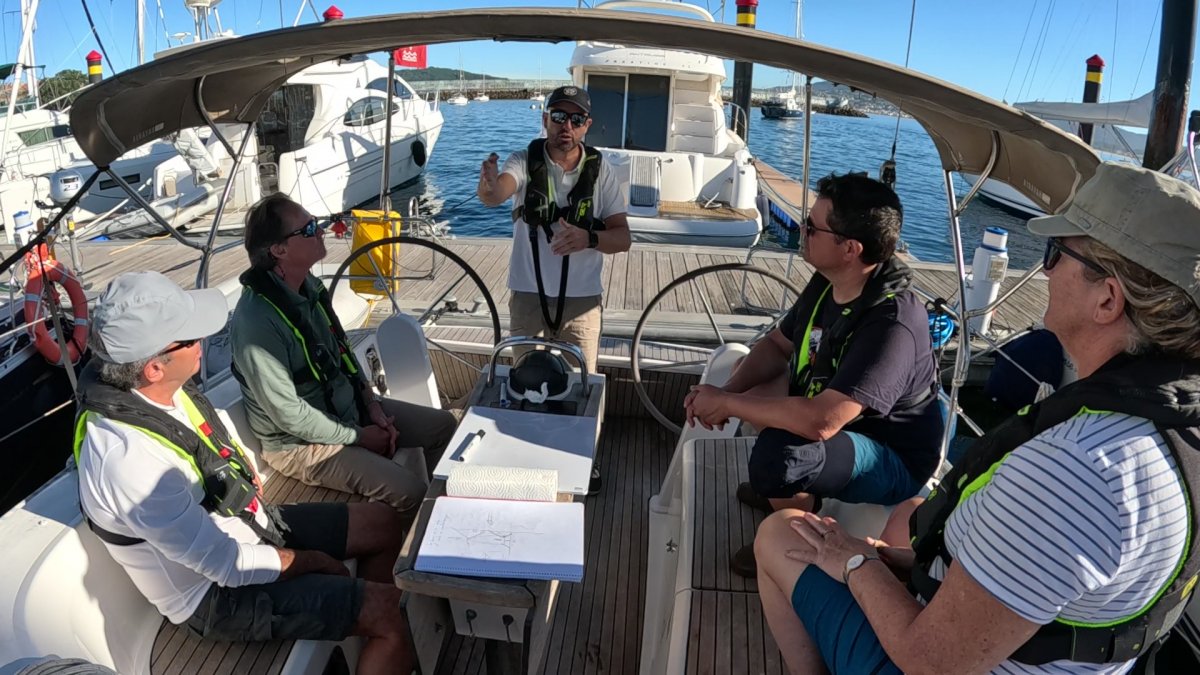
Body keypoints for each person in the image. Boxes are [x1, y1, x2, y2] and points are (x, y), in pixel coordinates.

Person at [755, 162, 1200, 674]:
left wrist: (856, 563)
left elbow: (930, 661)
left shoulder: (1079, 469)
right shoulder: (1171, 428)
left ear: (1108, 299)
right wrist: (889, 562)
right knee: (898, 523)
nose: (1045, 269)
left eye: (1058, 253)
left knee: (782, 532)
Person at [75, 271, 413, 675]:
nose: (203, 343)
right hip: (217, 596)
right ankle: (381, 630)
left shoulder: (162, 392)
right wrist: (310, 562)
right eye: (190, 337)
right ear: (153, 368)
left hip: (251, 524)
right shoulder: (129, 461)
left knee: (385, 522)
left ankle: (365, 634)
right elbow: (226, 566)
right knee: (395, 614)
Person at [685, 173, 944, 577]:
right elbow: (777, 346)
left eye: (812, 227)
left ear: (850, 249)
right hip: (836, 418)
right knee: (747, 376)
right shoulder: (830, 281)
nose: (802, 230)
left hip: (890, 454)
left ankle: (793, 538)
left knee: (780, 456)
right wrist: (727, 391)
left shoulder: (893, 322)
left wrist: (730, 405)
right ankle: (790, 498)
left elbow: (824, 421)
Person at [229, 194, 457, 514]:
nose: (321, 231)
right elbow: (289, 415)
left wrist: (371, 404)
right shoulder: (257, 323)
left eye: (316, 224)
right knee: (412, 492)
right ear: (278, 250)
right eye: (308, 230)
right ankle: (408, 554)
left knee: (443, 427)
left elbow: (343, 353)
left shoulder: (307, 286)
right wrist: (360, 436)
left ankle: (442, 517)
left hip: (345, 412)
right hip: (301, 446)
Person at [477, 84, 631, 373]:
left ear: (587, 125)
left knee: (580, 387)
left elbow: (623, 238)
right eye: (559, 116)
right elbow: (497, 194)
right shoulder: (523, 161)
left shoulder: (602, 171)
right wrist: (488, 185)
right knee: (526, 381)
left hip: (582, 303)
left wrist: (589, 238)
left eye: (576, 119)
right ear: (545, 119)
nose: (567, 125)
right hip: (527, 297)